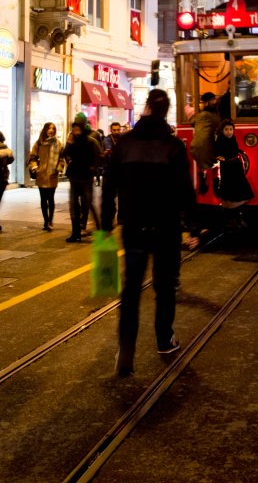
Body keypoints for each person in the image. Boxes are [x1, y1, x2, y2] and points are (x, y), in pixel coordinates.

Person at [101, 89, 195, 376]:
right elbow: (185, 190)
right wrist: (192, 226)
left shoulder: (125, 144)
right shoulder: (174, 146)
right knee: (165, 287)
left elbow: (109, 186)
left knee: (131, 291)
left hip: (133, 227)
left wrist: (106, 223)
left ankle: (126, 346)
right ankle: (164, 340)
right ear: (166, 112)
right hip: (166, 228)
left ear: (145, 109)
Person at [61, 121, 102, 242]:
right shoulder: (72, 142)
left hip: (86, 177)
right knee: (73, 206)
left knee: (88, 204)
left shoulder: (91, 141)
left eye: (78, 130)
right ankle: (76, 233)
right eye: (74, 130)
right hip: (74, 176)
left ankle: (99, 229)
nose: (75, 132)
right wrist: (68, 144)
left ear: (83, 130)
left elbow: (99, 156)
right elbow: (63, 154)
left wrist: (93, 167)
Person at [213, 119, 254, 209]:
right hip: (228, 165)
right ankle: (231, 204)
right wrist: (220, 156)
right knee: (229, 183)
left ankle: (234, 203)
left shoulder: (233, 138)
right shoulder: (220, 139)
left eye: (231, 129)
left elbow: (234, 150)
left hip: (234, 164)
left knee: (238, 183)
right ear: (222, 130)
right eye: (226, 129)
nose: (229, 132)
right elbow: (217, 151)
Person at [28, 123, 62, 231]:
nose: (51, 130)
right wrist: (34, 167)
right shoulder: (39, 143)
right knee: (43, 199)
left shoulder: (58, 143)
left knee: (51, 199)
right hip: (41, 174)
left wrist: (59, 168)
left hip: (52, 174)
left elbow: (62, 159)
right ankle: (45, 221)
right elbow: (32, 157)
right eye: (49, 128)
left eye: (53, 128)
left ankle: (50, 221)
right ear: (45, 130)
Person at [190, 92, 222, 194]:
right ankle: (217, 184)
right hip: (209, 147)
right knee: (217, 161)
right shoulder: (215, 116)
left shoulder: (200, 116)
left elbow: (192, 122)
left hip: (195, 147)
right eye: (213, 100)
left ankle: (203, 179)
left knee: (203, 163)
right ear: (209, 102)